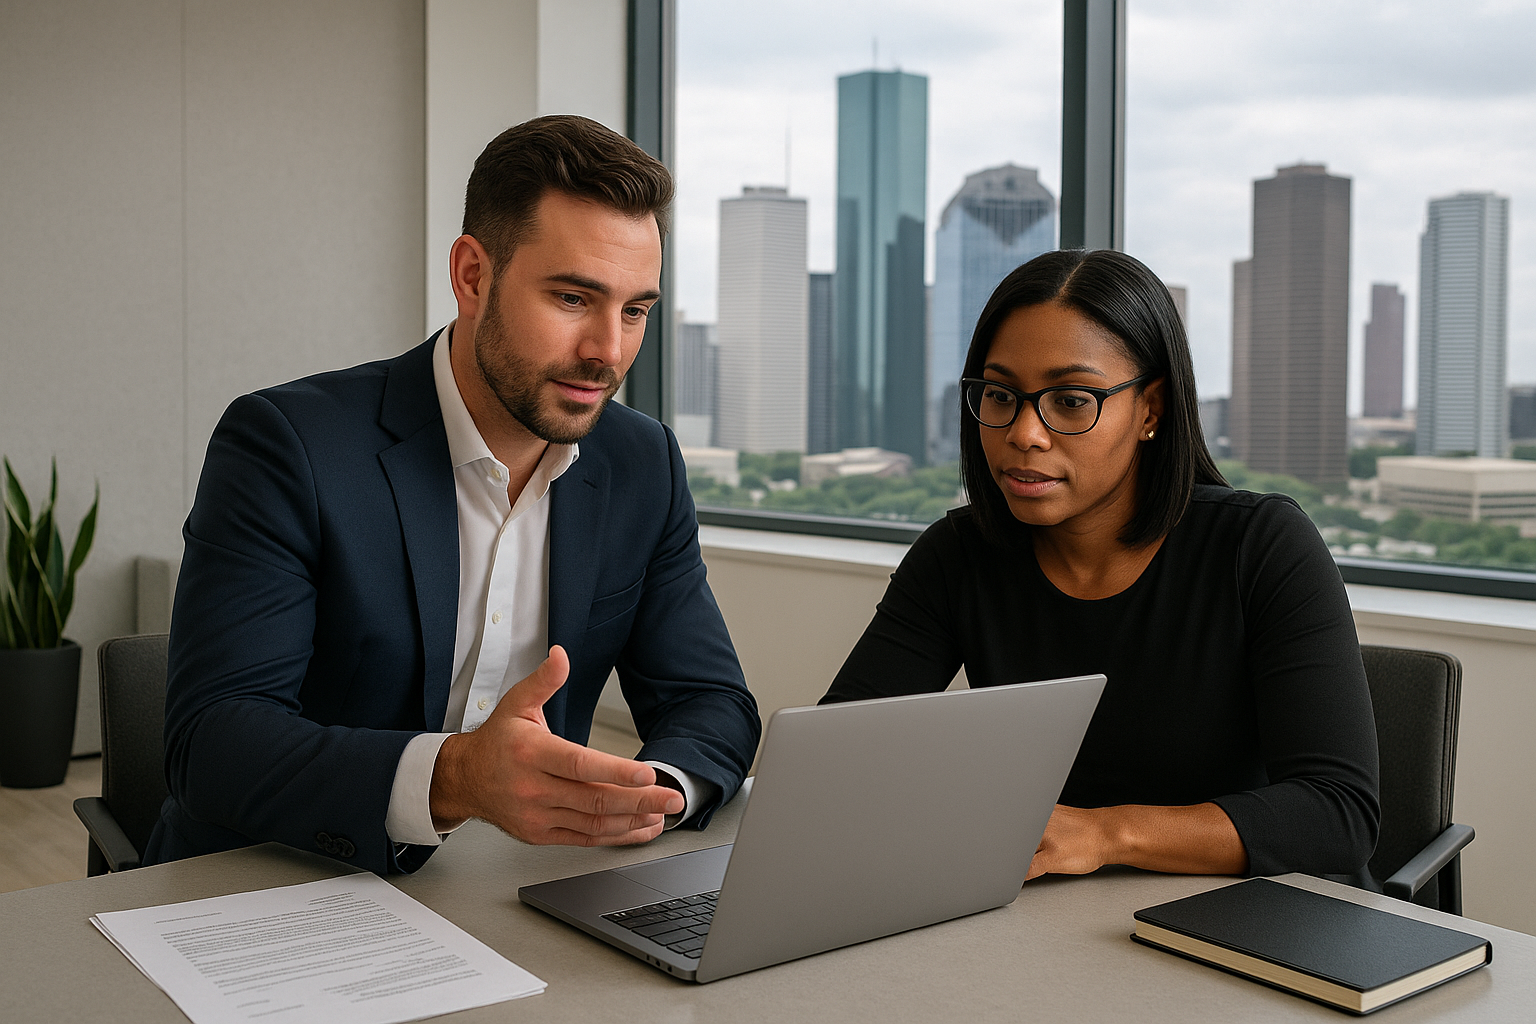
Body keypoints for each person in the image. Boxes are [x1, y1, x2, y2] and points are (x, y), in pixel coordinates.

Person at [146, 115, 760, 876]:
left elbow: (710, 700)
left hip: (504, 888)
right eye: (573, 298)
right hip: (274, 882)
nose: (608, 350)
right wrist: (456, 779)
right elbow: (212, 743)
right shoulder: (288, 444)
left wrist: (647, 793)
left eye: (635, 310)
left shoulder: (644, 463)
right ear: (472, 276)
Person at [821, 249, 1379, 881]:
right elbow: (836, 759)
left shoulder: (1262, 544)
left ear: (1150, 410)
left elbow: (1338, 816)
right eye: (1000, 395)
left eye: (1070, 400)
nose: (1024, 433)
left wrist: (1106, 834)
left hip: (1247, 916)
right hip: (1046, 916)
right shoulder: (958, 555)